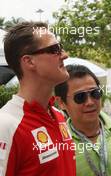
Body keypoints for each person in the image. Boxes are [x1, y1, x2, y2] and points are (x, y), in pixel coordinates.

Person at [0, 22, 76, 175]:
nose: (65, 55)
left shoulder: (59, 116)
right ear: (29, 61)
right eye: (55, 49)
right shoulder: (6, 125)